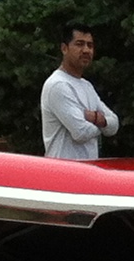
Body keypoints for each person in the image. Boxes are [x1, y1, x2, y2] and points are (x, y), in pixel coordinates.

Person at [40, 26, 118, 160]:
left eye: (90, 45)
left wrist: (93, 118)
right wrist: (102, 124)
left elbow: (114, 124)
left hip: (88, 169)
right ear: (64, 48)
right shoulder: (57, 85)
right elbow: (81, 132)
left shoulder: (87, 86)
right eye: (79, 44)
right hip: (64, 169)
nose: (86, 50)